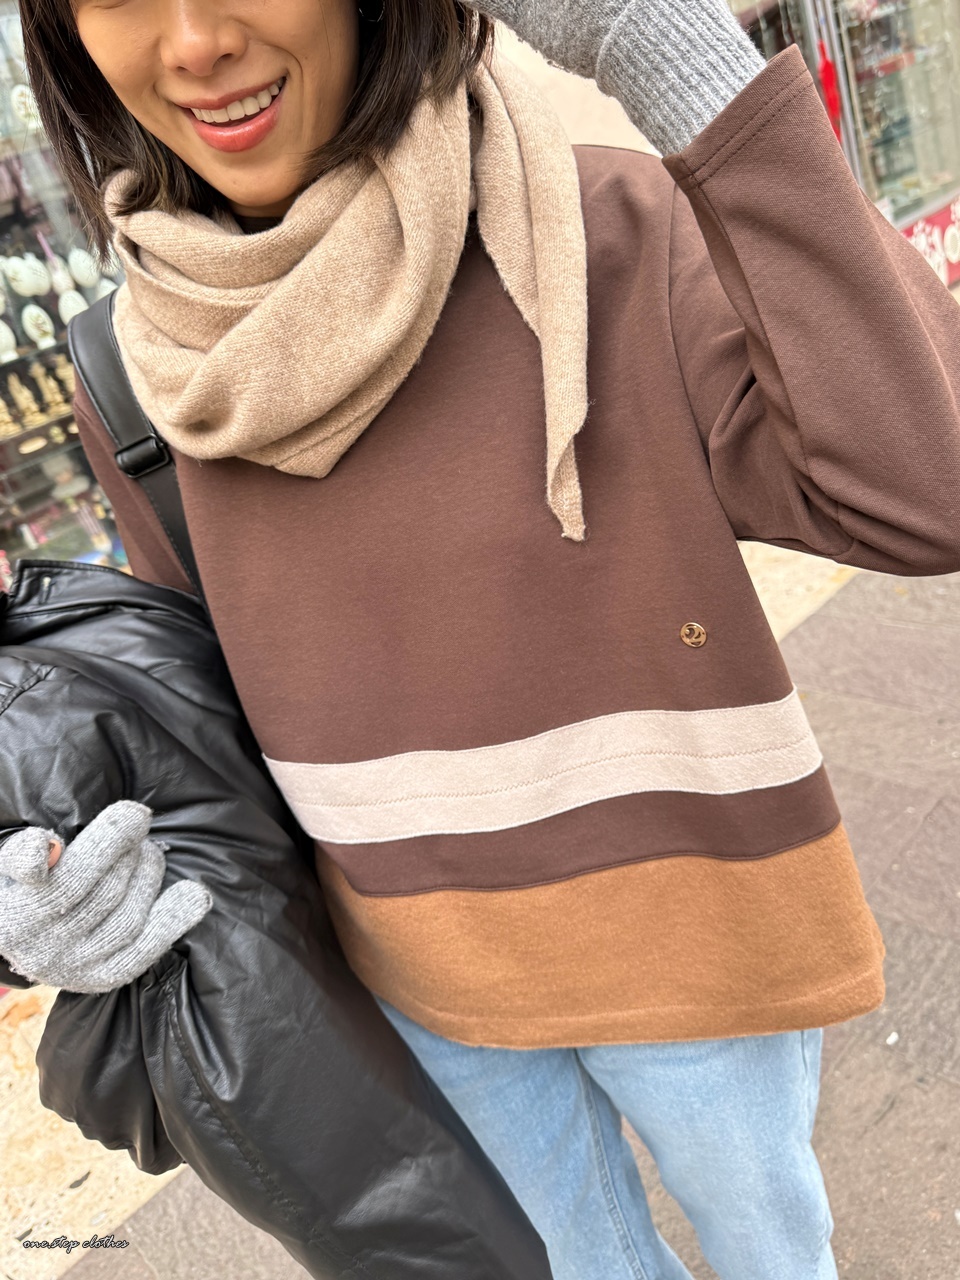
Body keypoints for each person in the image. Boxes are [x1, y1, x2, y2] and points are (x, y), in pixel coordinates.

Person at [7, 1, 960, 1277]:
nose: (193, 42)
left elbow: (924, 490)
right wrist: (76, 887)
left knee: (773, 1247)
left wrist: (673, 59)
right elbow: (196, 710)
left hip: (695, 926)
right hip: (410, 973)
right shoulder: (138, 361)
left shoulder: (602, 227)